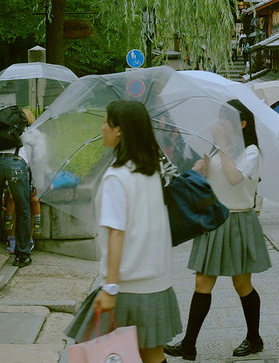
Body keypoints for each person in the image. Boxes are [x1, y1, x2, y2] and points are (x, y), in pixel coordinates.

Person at [66, 100, 181, 363]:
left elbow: (117, 234)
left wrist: (110, 287)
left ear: (119, 130)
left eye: (106, 121)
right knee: (152, 353)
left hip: (126, 286)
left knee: (101, 352)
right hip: (157, 282)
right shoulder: (151, 171)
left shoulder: (116, 178)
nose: (102, 127)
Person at [165, 100, 270, 360]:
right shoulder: (216, 150)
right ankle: (189, 344)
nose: (220, 124)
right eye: (221, 118)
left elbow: (235, 178)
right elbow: (209, 182)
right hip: (213, 219)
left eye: (226, 119)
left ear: (242, 124)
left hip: (238, 221)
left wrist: (220, 146)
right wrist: (200, 169)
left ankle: (254, 338)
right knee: (202, 282)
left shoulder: (252, 151)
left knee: (242, 283)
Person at [0, 105, 33, 267]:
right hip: (15, 162)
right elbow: (35, 157)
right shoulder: (29, 130)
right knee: (22, 208)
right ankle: (22, 254)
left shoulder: (2, 127)